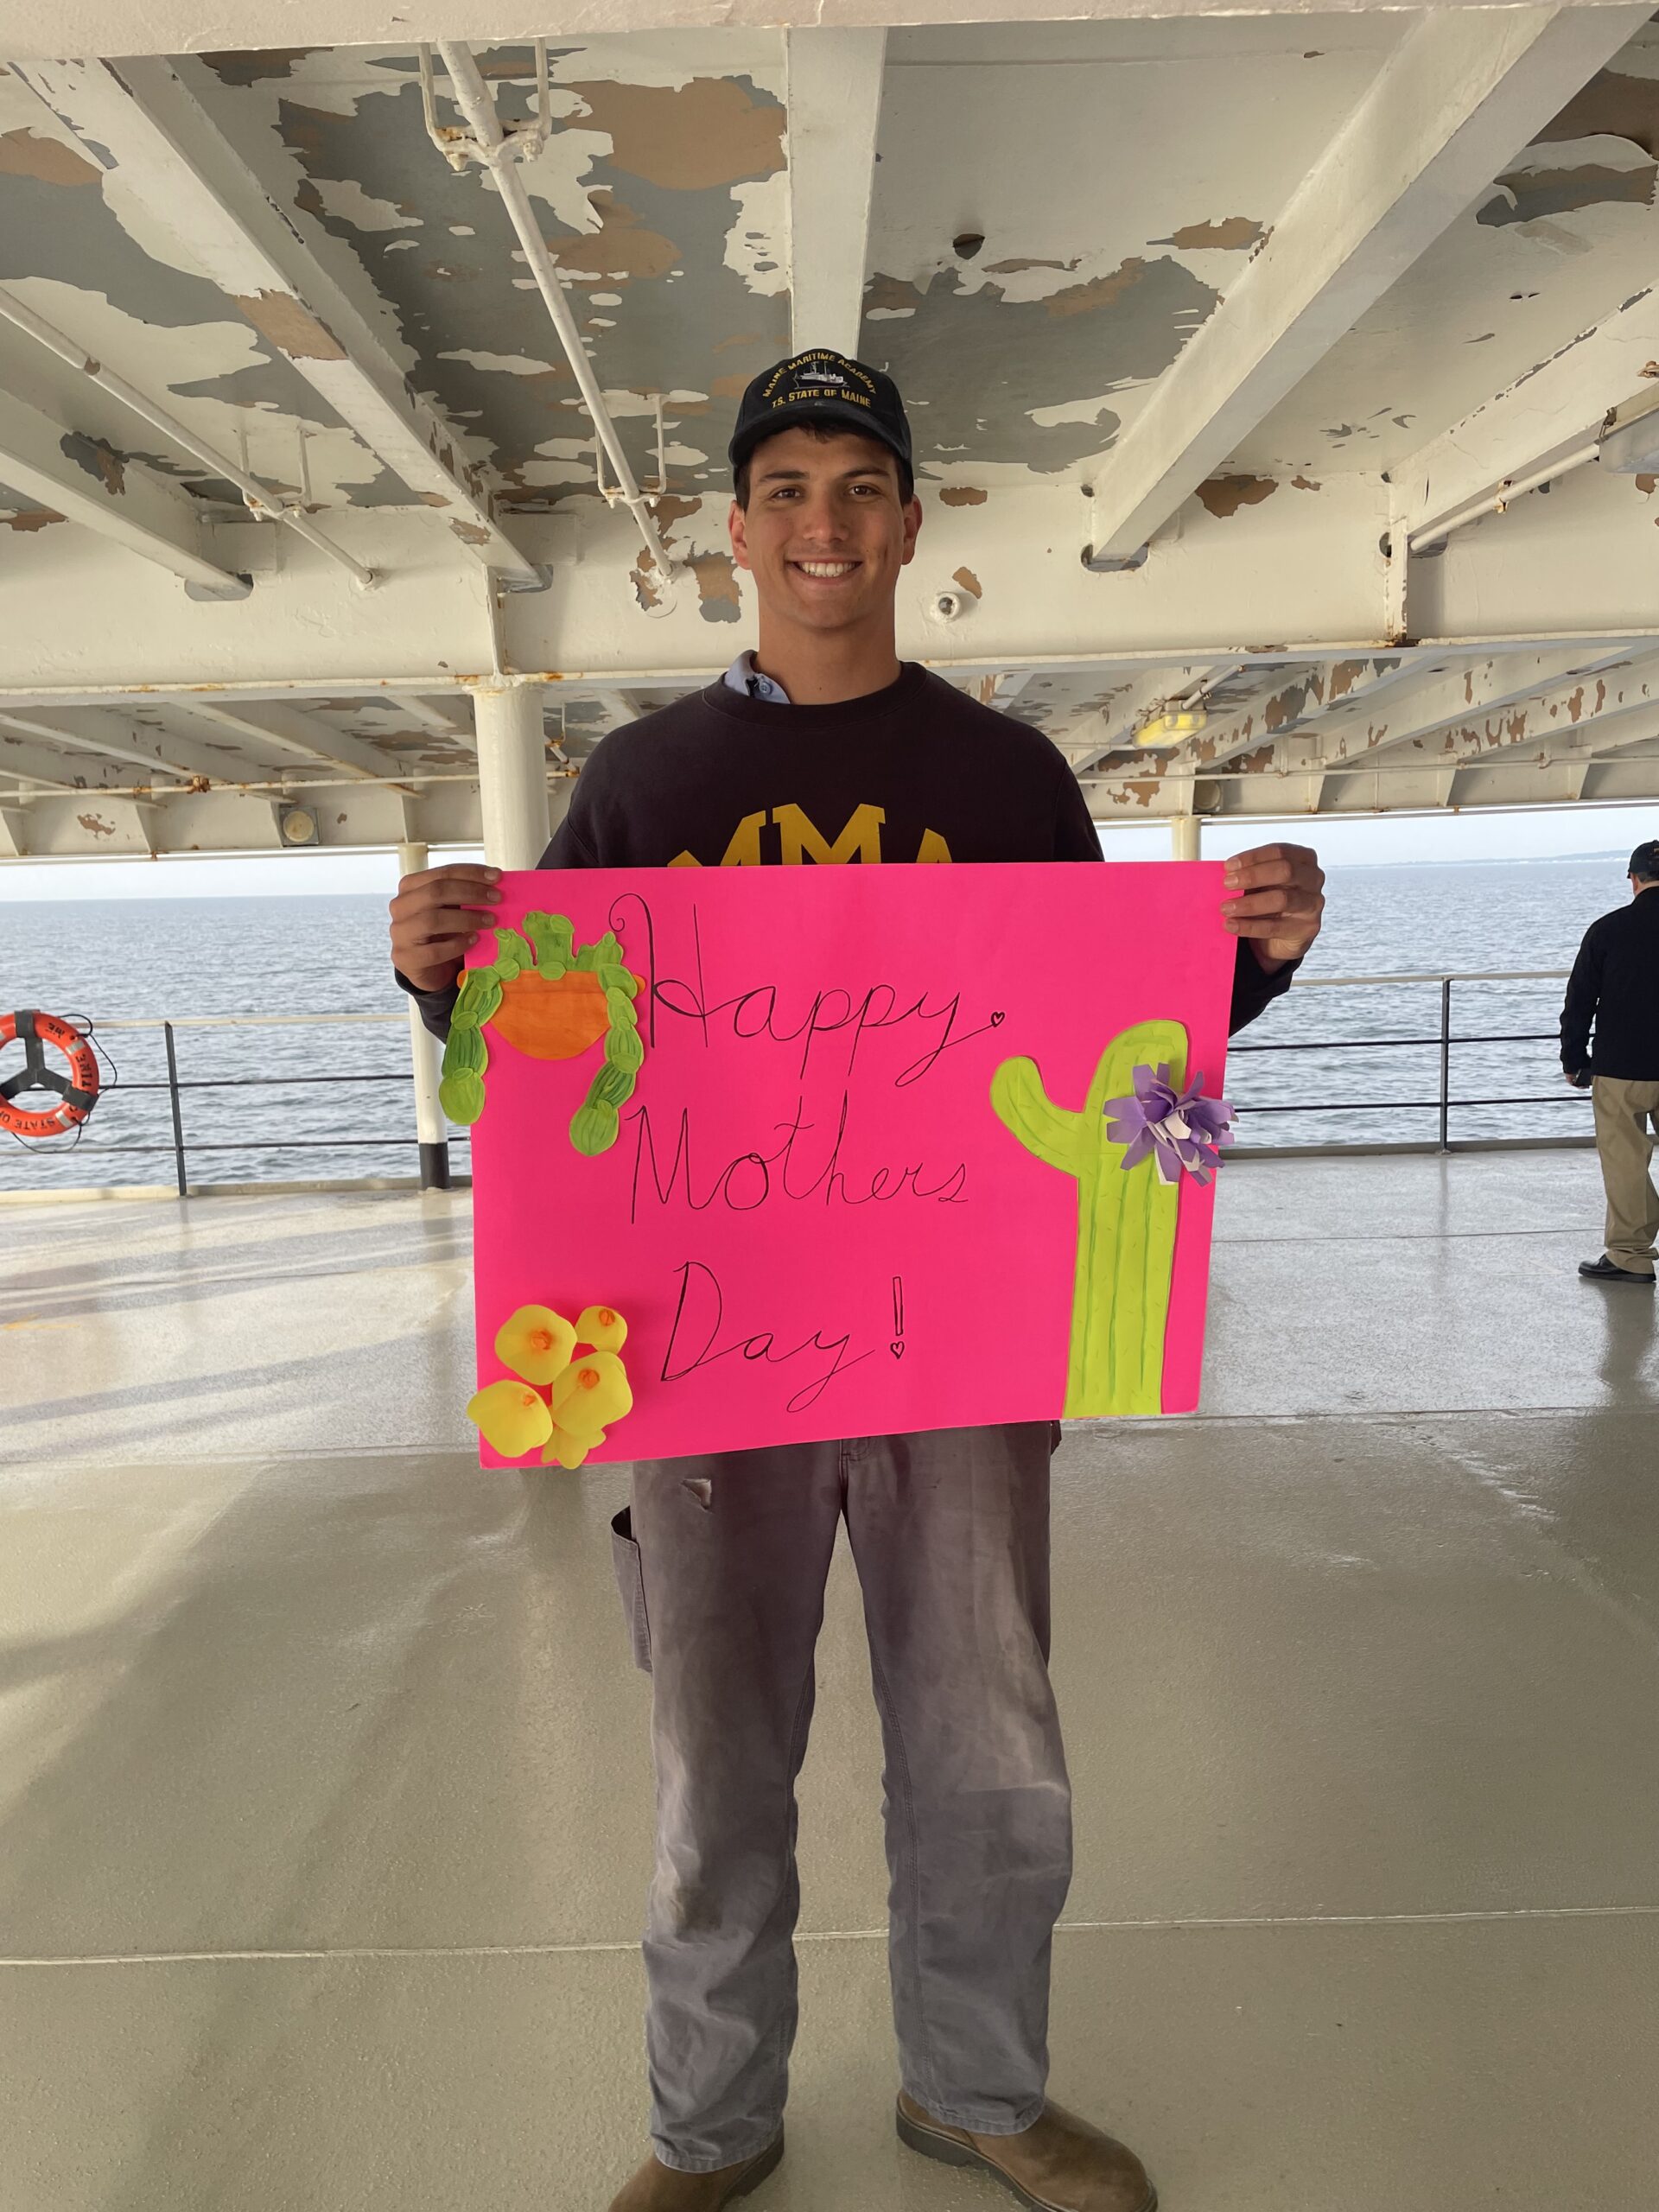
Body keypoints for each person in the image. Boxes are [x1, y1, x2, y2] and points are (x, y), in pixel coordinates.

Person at [390, 349, 1325, 2212]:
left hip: (961, 1361)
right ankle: (709, 2122)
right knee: (711, 1757)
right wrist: (441, 974)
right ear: (737, 536)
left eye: (860, 486)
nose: (824, 521)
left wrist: (1256, 959)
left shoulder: (1005, 772)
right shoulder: (644, 776)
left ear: (909, 529)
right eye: (788, 490)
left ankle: (974, 2087)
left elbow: (1113, 1038)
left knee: (990, 1748)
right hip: (700, 1357)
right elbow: (547, 1048)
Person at [1561, 838, 1659, 1286]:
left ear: (1633, 879)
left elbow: (1580, 1001)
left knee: (1625, 1162)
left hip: (1621, 1067)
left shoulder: (1607, 930)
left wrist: (1574, 1059)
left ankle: (1630, 1256)